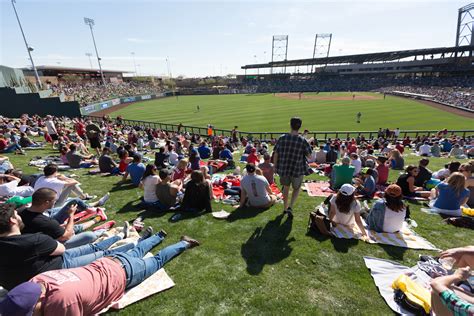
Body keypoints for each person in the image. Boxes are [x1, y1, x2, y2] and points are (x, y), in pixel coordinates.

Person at [0, 233, 199, 315]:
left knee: (156, 261)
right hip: (107, 262)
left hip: (124, 273)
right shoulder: (40, 279)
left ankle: (184, 242)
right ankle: (158, 236)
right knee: (137, 251)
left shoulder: (62, 303)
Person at [0, 204, 132, 290]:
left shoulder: (28, 241)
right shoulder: (34, 240)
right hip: (57, 269)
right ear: (12, 221)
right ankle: (132, 244)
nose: (19, 216)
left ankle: (119, 236)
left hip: (21, 284)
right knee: (101, 254)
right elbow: (61, 249)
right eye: (16, 215)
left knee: (93, 247)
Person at [20, 188, 108, 249]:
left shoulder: (21, 211)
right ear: (46, 202)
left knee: (72, 227)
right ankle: (98, 221)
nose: (55, 202)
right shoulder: (46, 222)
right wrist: (71, 215)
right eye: (54, 201)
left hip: (42, 236)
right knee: (88, 235)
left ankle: (98, 217)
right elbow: (67, 236)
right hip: (49, 245)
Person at [273, 117, 312, 218]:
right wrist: (309, 142)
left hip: (284, 168)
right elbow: (310, 156)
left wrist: (275, 166)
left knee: (286, 188)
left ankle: (285, 208)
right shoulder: (303, 141)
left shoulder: (282, 138)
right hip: (297, 169)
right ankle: (290, 206)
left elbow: (276, 153)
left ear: (290, 125)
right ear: (300, 127)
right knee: (297, 188)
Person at [430, 246, 474, 316]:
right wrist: (462, 250)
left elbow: (436, 284)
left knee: (437, 292)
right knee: (467, 254)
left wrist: (458, 276)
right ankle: (463, 286)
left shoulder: (469, 310)